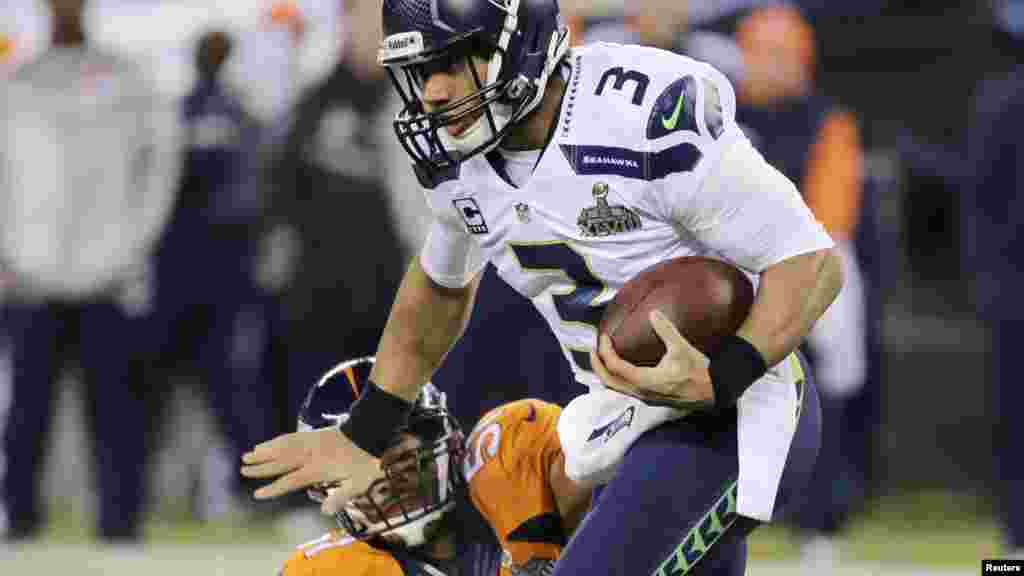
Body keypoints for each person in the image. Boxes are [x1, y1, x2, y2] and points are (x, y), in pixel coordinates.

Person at [242, 1, 842, 574]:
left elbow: (809, 262)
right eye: (421, 71)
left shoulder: (640, 110)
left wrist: (721, 374)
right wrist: (366, 431)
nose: (434, 91)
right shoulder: (459, 161)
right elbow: (441, 284)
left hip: (732, 412)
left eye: (450, 62)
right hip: (622, 422)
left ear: (519, 41)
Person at [0, 0, 180, 541]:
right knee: (27, 414)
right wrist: (9, 256)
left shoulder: (128, 82)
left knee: (116, 413)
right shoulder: (16, 84)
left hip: (110, 277)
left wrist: (132, 252)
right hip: (32, 278)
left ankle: (121, 524)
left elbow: (159, 173)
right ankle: (19, 520)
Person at [278, 357, 590, 576]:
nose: (383, 476)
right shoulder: (328, 570)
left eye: (396, 451)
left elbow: (621, 501)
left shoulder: (510, 461)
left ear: (441, 436)